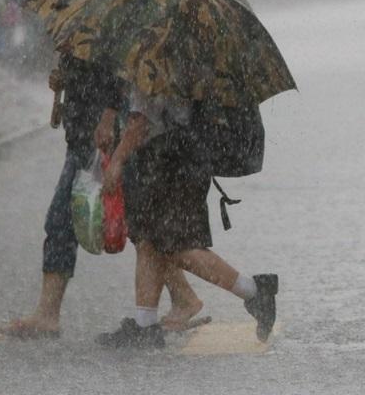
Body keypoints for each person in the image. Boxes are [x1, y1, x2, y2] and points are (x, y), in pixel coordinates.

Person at [0, 55, 204, 339]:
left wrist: (107, 118)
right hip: (84, 132)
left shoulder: (101, 23)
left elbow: (121, 70)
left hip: (100, 137)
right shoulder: (79, 26)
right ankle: (182, 296)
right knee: (140, 229)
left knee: (63, 221)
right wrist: (62, 82)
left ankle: (47, 314)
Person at [97, 85, 277, 348]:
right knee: (148, 241)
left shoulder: (156, 58)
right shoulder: (174, 54)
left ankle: (255, 291)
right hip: (175, 157)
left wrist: (117, 160)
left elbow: (141, 121)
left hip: (172, 162)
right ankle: (145, 326)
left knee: (179, 248)